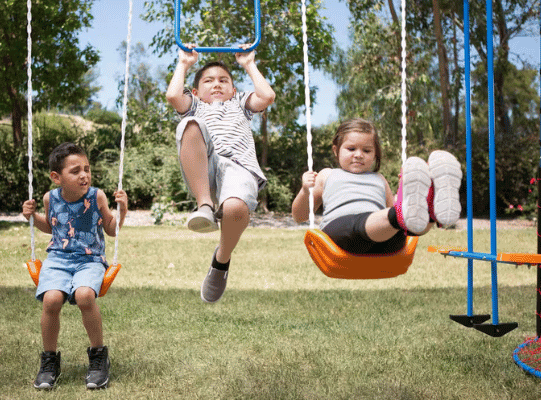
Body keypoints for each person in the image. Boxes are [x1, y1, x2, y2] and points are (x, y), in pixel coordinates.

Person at [164, 43, 276, 303]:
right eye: (209, 81)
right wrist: (184, 63)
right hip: (206, 169)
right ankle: (204, 205)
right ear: (195, 91)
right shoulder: (195, 106)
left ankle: (221, 261)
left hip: (239, 168)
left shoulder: (240, 103)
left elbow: (267, 96)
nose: (217, 84)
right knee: (190, 124)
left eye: (224, 80)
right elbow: (172, 96)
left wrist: (248, 64)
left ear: (233, 90)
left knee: (237, 209)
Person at [21, 142, 127, 390]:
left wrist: (123, 209)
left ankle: (98, 357)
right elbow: (52, 226)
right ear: (57, 177)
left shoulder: (96, 196)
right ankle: (49, 361)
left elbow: (112, 230)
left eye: (87, 169)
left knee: (84, 296)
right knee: (51, 300)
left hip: (89, 260)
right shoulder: (51, 198)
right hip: (58, 259)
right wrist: (32, 217)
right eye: (76, 170)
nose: (84, 175)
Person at [291, 118, 462, 254]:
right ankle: (417, 210)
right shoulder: (327, 175)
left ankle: (431, 206)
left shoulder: (379, 179)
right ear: (336, 150)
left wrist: (403, 198)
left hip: (386, 244)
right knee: (389, 218)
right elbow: (300, 216)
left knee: (404, 221)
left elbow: (389, 210)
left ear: (375, 155)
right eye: (351, 149)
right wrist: (306, 191)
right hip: (342, 237)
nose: (359, 155)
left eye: (366, 151)